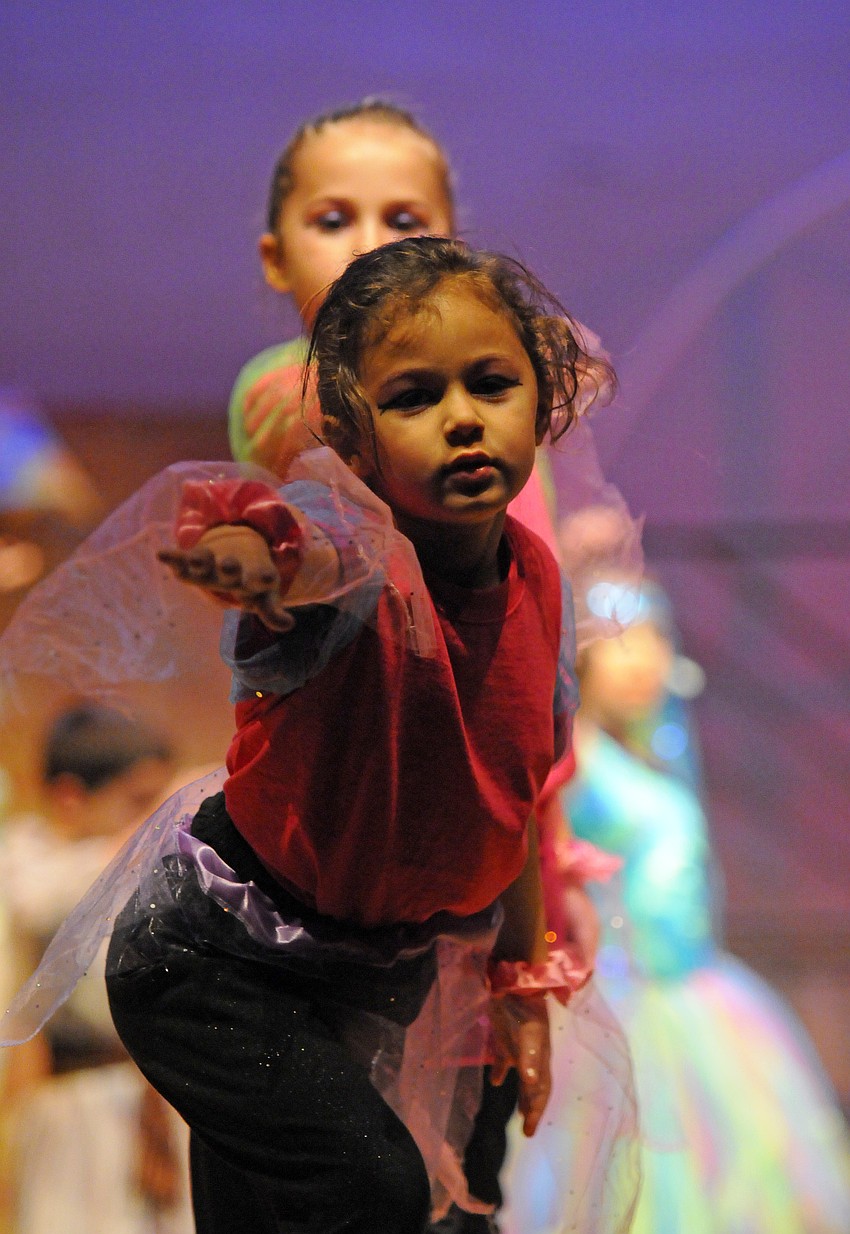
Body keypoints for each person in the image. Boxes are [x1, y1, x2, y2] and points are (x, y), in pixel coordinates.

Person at [500, 575, 850, 1234]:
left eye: (655, 640)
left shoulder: (655, 751)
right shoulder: (579, 758)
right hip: (621, 995)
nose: (644, 662)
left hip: (693, 990)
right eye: (621, 646)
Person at [0, 703, 194, 1234]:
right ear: (69, 796)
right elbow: (39, 898)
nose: (153, 819)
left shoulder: (143, 873)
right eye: (137, 802)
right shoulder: (26, 861)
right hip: (77, 1108)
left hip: (161, 1104)